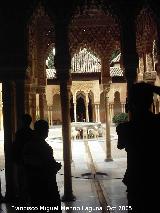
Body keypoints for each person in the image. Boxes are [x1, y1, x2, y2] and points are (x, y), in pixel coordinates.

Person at [116, 82, 160, 212]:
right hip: (155, 180)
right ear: (151, 102)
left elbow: (120, 145)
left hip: (136, 181)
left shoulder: (124, 128)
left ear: (130, 104)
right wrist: (151, 88)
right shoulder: (158, 124)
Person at [23, 120, 62, 212]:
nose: (47, 132)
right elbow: (39, 165)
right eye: (46, 129)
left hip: (34, 183)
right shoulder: (41, 146)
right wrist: (54, 167)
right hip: (44, 184)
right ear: (42, 131)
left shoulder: (30, 144)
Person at [13, 113, 33, 203]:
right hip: (30, 162)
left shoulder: (19, 133)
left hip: (22, 161)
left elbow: (16, 147)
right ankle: (28, 197)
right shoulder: (32, 133)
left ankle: (22, 199)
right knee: (29, 180)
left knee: (21, 180)